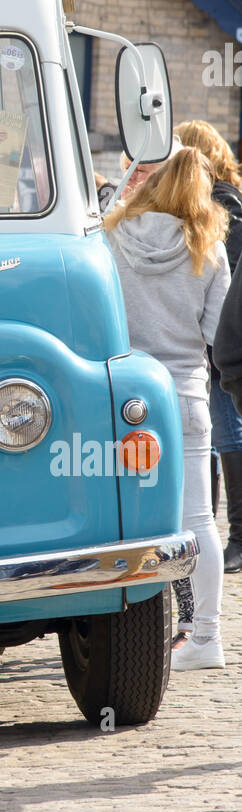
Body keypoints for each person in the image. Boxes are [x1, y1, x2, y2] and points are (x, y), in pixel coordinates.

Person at [104, 148, 230, 671]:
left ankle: (122, 634)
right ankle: (205, 635)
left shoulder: (112, 236)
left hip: (125, 397)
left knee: (124, 521)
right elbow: (217, 335)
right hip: (184, 396)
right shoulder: (209, 249)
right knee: (198, 520)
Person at [176, 121, 242, 575]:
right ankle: (221, 533)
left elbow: (225, 270)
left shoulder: (223, 203)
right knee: (218, 440)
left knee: (228, 434)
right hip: (215, 340)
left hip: (223, 338)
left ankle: (237, 535)